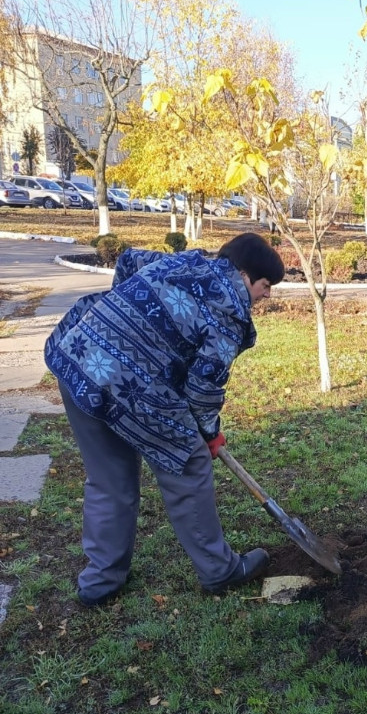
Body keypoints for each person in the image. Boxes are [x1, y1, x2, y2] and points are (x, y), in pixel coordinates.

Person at [44, 232, 285, 606]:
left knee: (109, 479)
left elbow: (127, 261)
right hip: (129, 384)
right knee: (189, 463)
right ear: (243, 274)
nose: (267, 295)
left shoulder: (184, 261)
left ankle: (100, 581)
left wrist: (125, 324)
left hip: (78, 355)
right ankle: (220, 571)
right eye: (266, 285)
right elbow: (203, 391)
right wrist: (208, 435)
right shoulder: (229, 313)